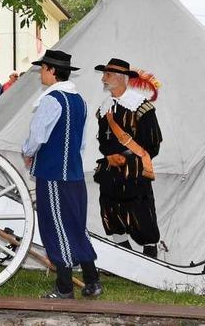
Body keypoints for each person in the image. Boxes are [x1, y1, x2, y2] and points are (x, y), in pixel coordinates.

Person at [22, 49, 100, 299]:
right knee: (76, 226)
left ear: (52, 71)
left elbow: (37, 135)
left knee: (55, 227)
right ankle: (92, 281)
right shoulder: (80, 101)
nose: (41, 74)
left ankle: (65, 287)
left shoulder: (52, 100)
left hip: (54, 173)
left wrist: (28, 152)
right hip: (74, 174)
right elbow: (82, 143)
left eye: (43, 69)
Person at [93, 58, 162, 258]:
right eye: (104, 74)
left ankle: (150, 256)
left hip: (134, 171)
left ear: (122, 78)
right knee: (110, 208)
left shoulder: (142, 108)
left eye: (108, 74)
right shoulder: (105, 108)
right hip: (110, 168)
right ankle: (123, 255)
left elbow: (153, 144)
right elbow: (103, 140)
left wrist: (128, 159)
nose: (103, 79)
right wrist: (110, 155)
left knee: (141, 210)